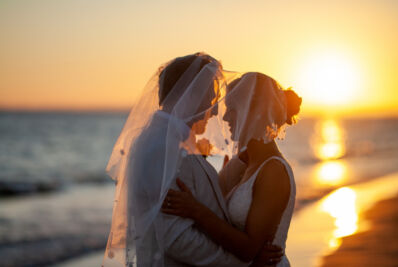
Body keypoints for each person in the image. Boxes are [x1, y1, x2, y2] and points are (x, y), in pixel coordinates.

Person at [103, 54, 282, 267]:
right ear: (191, 94)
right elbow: (175, 238)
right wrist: (241, 263)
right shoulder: (159, 147)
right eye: (210, 99)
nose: (215, 110)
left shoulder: (169, 141)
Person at [162, 72, 302, 266]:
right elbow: (215, 205)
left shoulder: (274, 172)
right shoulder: (241, 164)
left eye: (233, 109)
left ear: (256, 113)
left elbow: (248, 250)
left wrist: (195, 210)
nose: (226, 117)